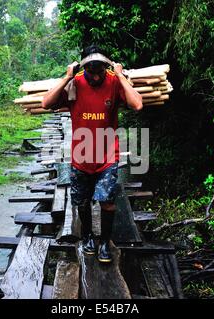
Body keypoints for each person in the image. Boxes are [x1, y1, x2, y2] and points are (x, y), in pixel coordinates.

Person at [42, 45, 142, 263]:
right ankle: (87, 237)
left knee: (107, 201)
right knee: (82, 201)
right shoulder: (74, 84)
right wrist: (67, 75)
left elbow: (137, 104)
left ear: (105, 66)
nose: (96, 75)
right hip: (81, 157)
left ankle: (105, 242)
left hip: (107, 156)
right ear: (83, 67)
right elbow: (46, 103)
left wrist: (120, 75)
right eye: (91, 70)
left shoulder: (114, 82)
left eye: (100, 70)